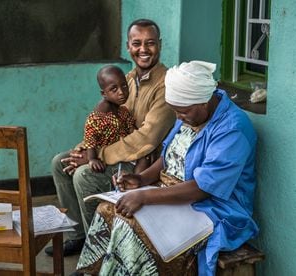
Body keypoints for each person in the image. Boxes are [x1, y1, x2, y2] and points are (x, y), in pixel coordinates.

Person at [76, 61, 259, 276]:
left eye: (182, 112)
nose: (179, 118)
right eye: (175, 112)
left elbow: (204, 188)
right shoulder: (191, 109)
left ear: (203, 102)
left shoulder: (232, 130)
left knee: (132, 228)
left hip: (212, 208)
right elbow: (169, 155)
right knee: (107, 211)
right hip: (173, 193)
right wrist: (142, 179)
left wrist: (144, 197)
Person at [45, 18, 176, 257]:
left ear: (160, 45)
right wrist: (83, 149)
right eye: (137, 43)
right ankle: (80, 236)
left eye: (150, 43)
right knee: (61, 163)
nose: (143, 50)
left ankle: (99, 253)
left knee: (85, 175)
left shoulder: (167, 85)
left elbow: (147, 138)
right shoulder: (126, 79)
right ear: (128, 46)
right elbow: (102, 121)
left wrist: (97, 156)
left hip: (144, 159)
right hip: (118, 149)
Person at [84, 65, 149, 174]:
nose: (121, 92)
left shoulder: (123, 111)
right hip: (108, 156)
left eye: (124, 86)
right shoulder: (97, 117)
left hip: (124, 151)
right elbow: (90, 140)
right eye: (114, 89)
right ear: (103, 94)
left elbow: (133, 131)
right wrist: (92, 159)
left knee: (145, 157)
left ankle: (137, 183)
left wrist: (143, 146)